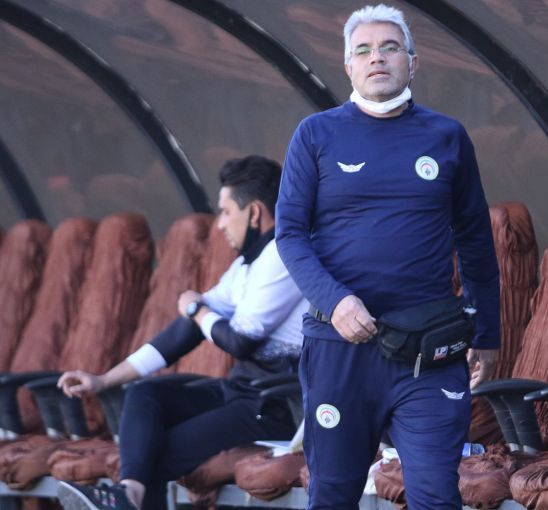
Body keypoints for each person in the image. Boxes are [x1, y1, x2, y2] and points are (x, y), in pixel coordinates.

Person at [275, 4, 500, 509]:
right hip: (339, 349)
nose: (376, 57)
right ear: (348, 66)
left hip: (428, 351)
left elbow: (475, 239)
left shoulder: (447, 136)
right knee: (332, 495)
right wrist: (335, 301)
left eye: (389, 47)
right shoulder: (315, 134)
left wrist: (488, 333)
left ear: (412, 63)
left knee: (436, 495)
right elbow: (289, 234)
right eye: (363, 50)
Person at [57, 155, 308, 510]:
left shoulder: (285, 255)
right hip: (242, 392)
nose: (220, 224)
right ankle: (128, 495)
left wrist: (196, 309)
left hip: (277, 404)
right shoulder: (246, 265)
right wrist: (103, 380)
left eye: (225, 212)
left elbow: (239, 340)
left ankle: (128, 496)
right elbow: (187, 331)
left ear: (253, 212)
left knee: (152, 455)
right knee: (145, 394)